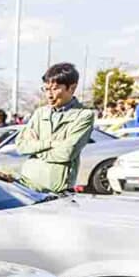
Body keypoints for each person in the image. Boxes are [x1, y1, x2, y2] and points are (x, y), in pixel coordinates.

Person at [14, 62, 95, 194]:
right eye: (46, 89)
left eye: (55, 89)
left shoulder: (84, 115)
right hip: (27, 185)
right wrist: (51, 143)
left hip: (56, 188)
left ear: (72, 88)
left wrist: (36, 149)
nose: (49, 95)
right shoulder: (40, 113)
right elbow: (21, 146)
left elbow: (66, 153)